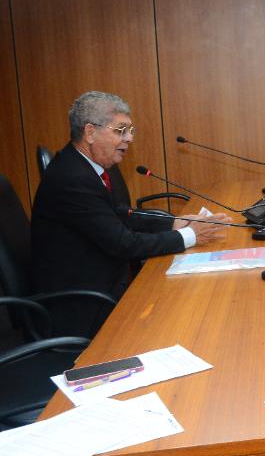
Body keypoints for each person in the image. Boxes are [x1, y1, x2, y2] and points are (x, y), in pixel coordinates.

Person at [31, 91, 230, 335]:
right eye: (121, 130)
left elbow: (120, 214)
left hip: (107, 280)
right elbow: (123, 243)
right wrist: (191, 236)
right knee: (185, 319)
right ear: (90, 132)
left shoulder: (94, 166)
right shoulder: (72, 178)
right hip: (84, 305)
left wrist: (174, 223)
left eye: (130, 130)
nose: (129, 138)